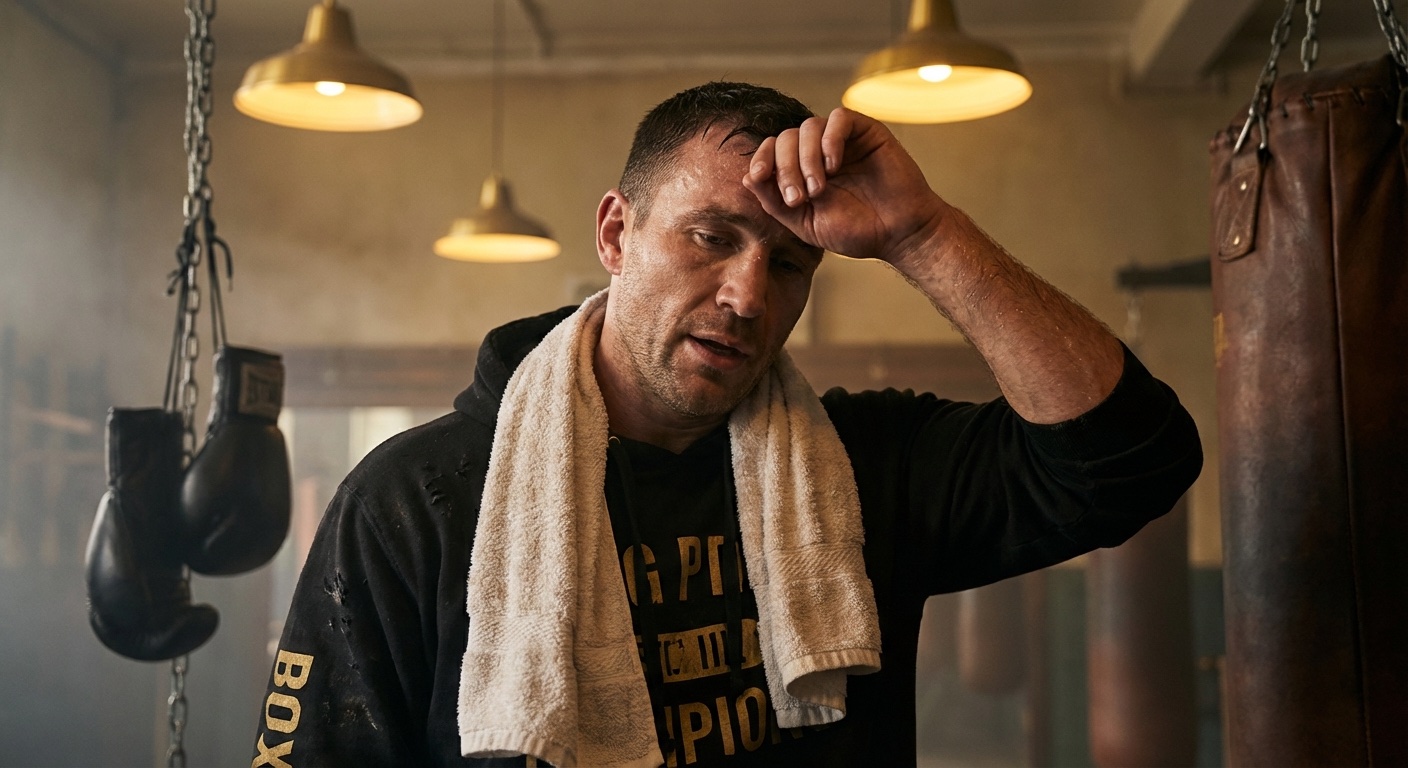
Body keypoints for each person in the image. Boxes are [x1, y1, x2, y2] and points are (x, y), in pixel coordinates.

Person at [251, 82, 1201, 767]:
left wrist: (922, 233)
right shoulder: (417, 500)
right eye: (711, 239)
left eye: (789, 265)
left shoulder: (864, 469)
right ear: (616, 235)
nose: (748, 295)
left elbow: (1132, 461)